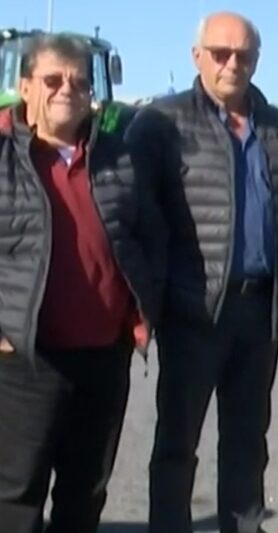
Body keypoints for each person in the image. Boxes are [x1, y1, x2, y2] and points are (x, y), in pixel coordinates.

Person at [125, 11, 278, 533]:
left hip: (260, 309)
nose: (233, 63)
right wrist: (147, 300)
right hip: (193, 310)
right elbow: (136, 216)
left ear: (257, 60)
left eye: (244, 55)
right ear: (197, 57)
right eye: (220, 53)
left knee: (248, 440)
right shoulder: (161, 125)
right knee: (177, 441)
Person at [0, 34, 165, 532]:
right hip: (26, 357)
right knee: (16, 492)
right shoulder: (5, 156)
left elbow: (151, 236)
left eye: (78, 81)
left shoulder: (117, 157)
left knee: (86, 488)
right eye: (52, 80)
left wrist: (141, 310)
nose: (66, 91)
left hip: (104, 356)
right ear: (25, 86)